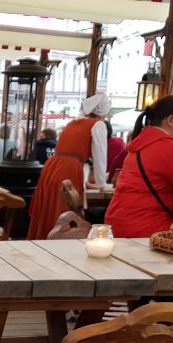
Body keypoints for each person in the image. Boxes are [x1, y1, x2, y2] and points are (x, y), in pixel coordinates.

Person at [105, 95, 173, 238]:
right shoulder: (170, 149)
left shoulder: (142, 143)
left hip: (118, 223)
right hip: (147, 228)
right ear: (170, 120)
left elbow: (161, 166)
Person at [27, 94, 110, 239]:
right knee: (63, 214)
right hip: (69, 169)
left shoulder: (73, 123)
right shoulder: (98, 125)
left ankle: (41, 243)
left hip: (52, 167)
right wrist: (101, 184)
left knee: (48, 210)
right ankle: (59, 250)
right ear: (102, 113)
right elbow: (100, 157)